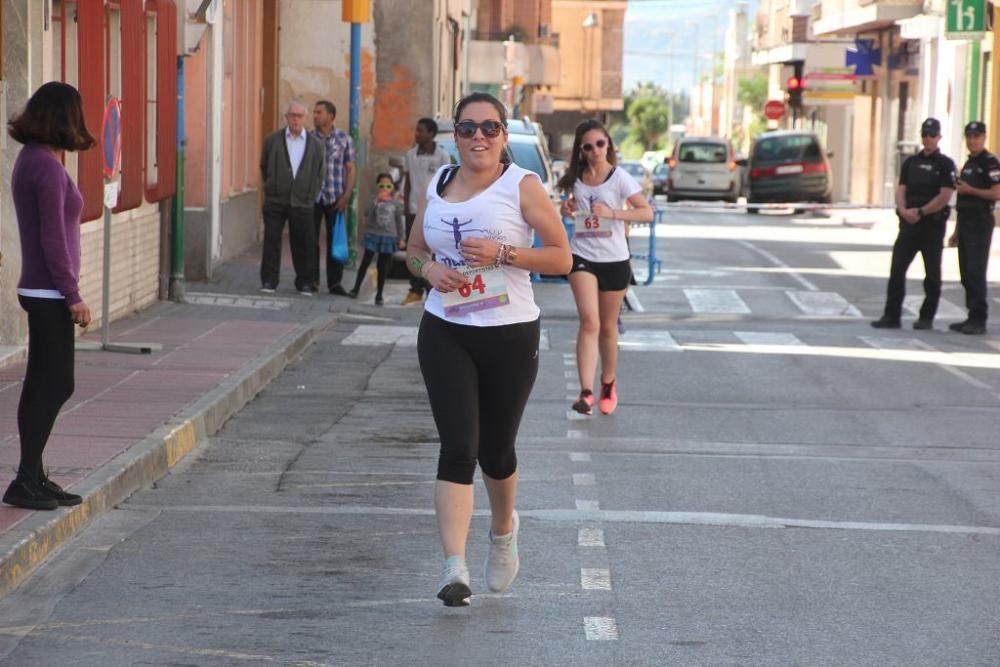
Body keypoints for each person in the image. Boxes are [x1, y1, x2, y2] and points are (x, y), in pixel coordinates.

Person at [405, 92, 571, 606]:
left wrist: (504, 252)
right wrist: (429, 270)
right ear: (455, 134)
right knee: (459, 448)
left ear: (503, 138)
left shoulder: (521, 186)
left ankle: (502, 532)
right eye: (468, 128)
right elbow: (413, 251)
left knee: (496, 453)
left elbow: (562, 257)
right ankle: (454, 567)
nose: (479, 136)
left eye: (490, 129)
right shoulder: (437, 184)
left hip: (509, 332)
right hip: (445, 328)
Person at [3, 82, 95, 510]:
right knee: (55, 382)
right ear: (64, 116)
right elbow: (54, 239)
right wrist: (72, 294)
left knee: (45, 381)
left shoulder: (39, 160)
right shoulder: (44, 166)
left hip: (43, 289)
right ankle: (25, 478)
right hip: (48, 292)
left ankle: (34, 476)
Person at [558, 120, 653, 416]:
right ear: (581, 151)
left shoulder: (619, 177)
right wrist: (567, 208)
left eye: (600, 144)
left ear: (608, 145)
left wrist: (613, 213)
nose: (595, 151)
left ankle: (608, 383)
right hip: (582, 256)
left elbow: (646, 212)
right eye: (588, 146)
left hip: (614, 258)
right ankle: (585, 393)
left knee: (608, 327)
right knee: (589, 321)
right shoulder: (575, 178)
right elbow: (571, 205)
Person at [871, 118, 957, 330]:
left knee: (932, 274)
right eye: (925, 134)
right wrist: (903, 210)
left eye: (932, 135)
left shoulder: (945, 164)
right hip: (909, 224)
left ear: (939, 137)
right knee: (897, 270)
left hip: (932, 225)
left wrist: (922, 211)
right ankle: (891, 316)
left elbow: (945, 195)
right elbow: (901, 189)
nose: (928, 139)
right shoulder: (910, 162)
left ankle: (926, 317)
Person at [259, 101, 325, 295]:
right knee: (271, 241)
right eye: (292, 115)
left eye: (299, 115)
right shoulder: (272, 141)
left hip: (303, 201)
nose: (295, 119)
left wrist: (310, 193)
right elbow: (264, 166)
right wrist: (272, 186)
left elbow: (320, 172)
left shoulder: (316, 144)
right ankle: (269, 281)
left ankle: (305, 282)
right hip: (276, 200)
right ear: (286, 117)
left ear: (305, 119)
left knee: (304, 242)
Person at [948, 121, 1000, 335]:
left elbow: (996, 193)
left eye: (976, 137)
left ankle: (979, 319)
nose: (972, 141)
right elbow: (962, 200)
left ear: (983, 138)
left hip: (980, 221)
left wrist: (971, 190)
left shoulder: (990, 162)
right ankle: (971, 315)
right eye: (969, 137)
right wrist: (956, 232)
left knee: (975, 271)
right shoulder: (969, 164)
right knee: (965, 273)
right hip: (966, 221)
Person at [401, 118, 452, 305]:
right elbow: (407, 182)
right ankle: (415, 289)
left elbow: (447, 184)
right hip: (414, 208)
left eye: (421, 131)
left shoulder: (442, 156)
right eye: (416, 130)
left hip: (434, 210)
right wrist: (406, 206)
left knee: (433, 249)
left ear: (431, 133)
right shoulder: (410, 155)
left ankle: (433, 287)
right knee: (413, 249)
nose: (417, 134)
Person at [311, 100, 356, 296]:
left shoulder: (344, 139)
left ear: (330, 116)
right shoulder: (309, 138)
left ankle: (335, 283)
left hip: (336, 198)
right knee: (310, 241)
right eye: (314, 112)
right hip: (312, 198)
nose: (315, 116)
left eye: (319, 112)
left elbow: (350, 169)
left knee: (336, 241)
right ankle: (311, 280)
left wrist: (346, 195)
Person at [349, 173, 405, 305]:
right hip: (373, 234)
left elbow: (399, 222)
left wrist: (400, 238)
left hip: (388, 237)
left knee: (383, 266)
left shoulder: (395, 204)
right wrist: (375, 202)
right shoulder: (373, 199)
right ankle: (356, 288)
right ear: (377, 186)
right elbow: (366, 215)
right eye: (381, 185)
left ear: (392, 188)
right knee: (365, 262)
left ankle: (379, 294)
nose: (385, 188)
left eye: (388, 186)